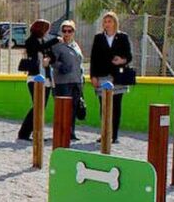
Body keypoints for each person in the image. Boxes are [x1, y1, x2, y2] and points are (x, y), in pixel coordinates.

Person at [90, 11, 133, 144]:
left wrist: (122, 60)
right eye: (105, 22)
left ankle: (114, 135)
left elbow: (129, 56)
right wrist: (93, 76)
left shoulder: (123, 37)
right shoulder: (98, 38)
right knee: (103, 106)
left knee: (116, 106)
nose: (107, 24)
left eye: (109, 21)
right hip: (102, 75)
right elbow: (94, 58)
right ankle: (104, 133)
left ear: (115, 22)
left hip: (117, 76)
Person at [17, 19, 60, 141]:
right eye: (46, 29)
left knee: (42, 106)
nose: (48, 32)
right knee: (37, 106)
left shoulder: (45, 41)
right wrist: (55, 40)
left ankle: (37, 132)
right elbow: (38, 48)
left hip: (46, 77)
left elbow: (53, 57)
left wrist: (49, 60)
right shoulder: (31, 41)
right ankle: (24, 133)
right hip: (34, 77)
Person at [51, 20, 85, 142]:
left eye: (69, 31)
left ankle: (71, 131)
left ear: (73, 32)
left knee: (74, 107)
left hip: (76, 80)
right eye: (64, 31)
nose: (66, 33)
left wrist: (82, 79)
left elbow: (79, 63)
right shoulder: (57, 46)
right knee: (63, 108)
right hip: (62, 81)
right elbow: (52, 60)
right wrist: (61, 66)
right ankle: (61, 131)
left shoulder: (76, 46)